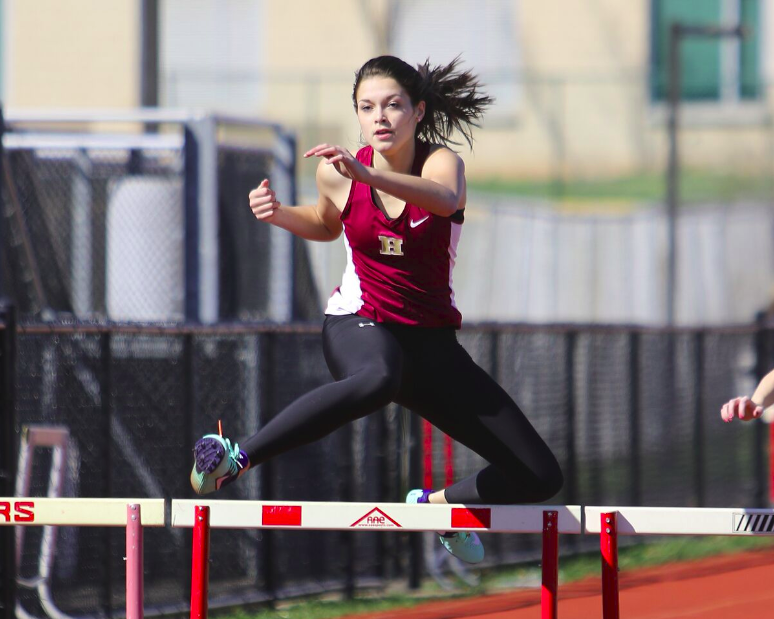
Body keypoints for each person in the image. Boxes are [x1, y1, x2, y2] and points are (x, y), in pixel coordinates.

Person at [190, 55, 564, 564]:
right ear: (359, 116)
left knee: (540, 475)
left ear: (418, 111)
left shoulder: (441, 164)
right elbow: (326, 224)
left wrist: (368, 173)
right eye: (367, 108)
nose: (380, 117)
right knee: (379, 376)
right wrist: (279, 215)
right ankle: (235, 457)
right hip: (359, 324)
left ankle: (435, 507)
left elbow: (443, 197)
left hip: (430, 343)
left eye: (393, 105)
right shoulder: (336, 174)